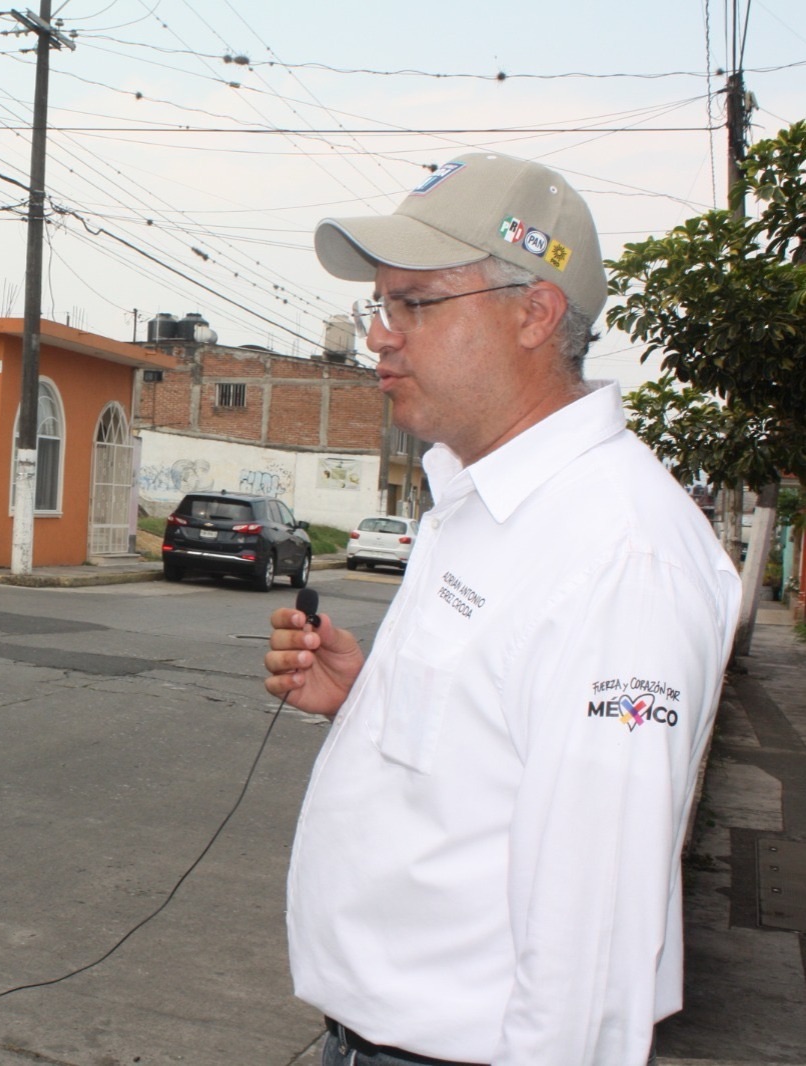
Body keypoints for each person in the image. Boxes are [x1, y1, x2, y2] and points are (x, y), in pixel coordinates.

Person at [264, 152, 741, 1066]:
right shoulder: (483, 503)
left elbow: (592, 950)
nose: (380, 336)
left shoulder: (619, 555)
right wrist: (372, 698)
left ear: (535, 312)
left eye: (415, 303)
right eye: (381, 304)